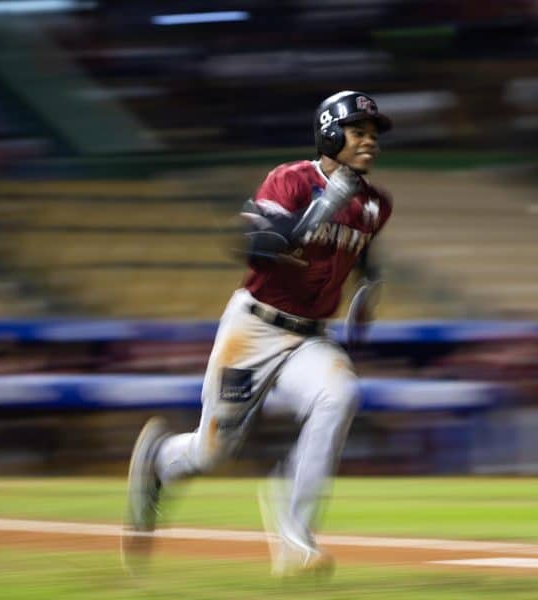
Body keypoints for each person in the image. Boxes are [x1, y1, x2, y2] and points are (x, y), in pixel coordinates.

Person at [122, 90, 393, 578]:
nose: (369, 142)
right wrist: (322, 208)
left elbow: (361, 250)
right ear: (330, 134)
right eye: (358, 132)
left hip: (310, 337)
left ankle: (295, 537)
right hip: (255, 329)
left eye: (373, 135)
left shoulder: (375, 204)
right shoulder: (289, 179)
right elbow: (253, 245)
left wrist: (367, 289)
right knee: (213, 452)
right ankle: (162, 459)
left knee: (340, 395)